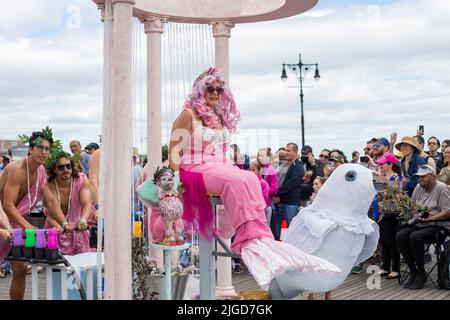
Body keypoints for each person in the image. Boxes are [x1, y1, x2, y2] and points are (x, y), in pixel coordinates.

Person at [168, 68, 320, 286]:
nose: (215, 93)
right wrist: (176, 181)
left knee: (250, 179)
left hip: (218, 165)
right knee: (235, 180)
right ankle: (246, 235)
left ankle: (258, 234)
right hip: (194, 167)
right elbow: (174, 151)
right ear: (199, 90)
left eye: (219, 89)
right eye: (210, 88)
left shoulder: (217, 117)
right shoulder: (187, 115)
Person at [0, 130, 73, 300]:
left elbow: (50, 201)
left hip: (13, 224)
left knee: (19, 268)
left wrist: (64, 222)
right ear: (30, 149)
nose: (44, 152)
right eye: (40, 147)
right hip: (3, 216)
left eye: (47, 149)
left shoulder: (41, 171)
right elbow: (8, 205)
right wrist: (27, 226)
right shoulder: (16, 170)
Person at [395, 164, 450, 290]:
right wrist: (410, 210)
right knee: (400, 236)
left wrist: (429, 218)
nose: (420, 180)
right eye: (419, 177)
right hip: (421, 223)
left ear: (432, 176)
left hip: (439, 225)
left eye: (423, 177)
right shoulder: (418, 187)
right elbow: (413, 206)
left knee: (415, 237)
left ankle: (420, 272)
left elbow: (447, 211)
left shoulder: (441, 188)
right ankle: (414, 270)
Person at [45, 151, 93, 255]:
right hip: (55, 230)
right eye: (61, 167)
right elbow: (50, 210)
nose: (66, 170)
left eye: (68, 166)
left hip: (78, 229)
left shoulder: (81, 179)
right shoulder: (48, 184)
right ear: (54, 169)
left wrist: (83, 220)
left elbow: (87, 203)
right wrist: (63, 224)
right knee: (56, 268)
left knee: (82, 267)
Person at [376, 153, 402, 280]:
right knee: (384, 241)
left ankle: (395, 268)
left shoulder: (395, 177)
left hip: (391, 213)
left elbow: (397, 194)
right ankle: (386, 266)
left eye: (383, 164)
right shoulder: (383, 176)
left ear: (390, 164)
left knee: (391, 241)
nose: (381, 166)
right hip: (382, 212)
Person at [271, 143, 304, 240]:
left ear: (295, 152)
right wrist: (274, 195)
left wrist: (275, 193)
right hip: (278, 203)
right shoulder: (282, 165)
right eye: (285, 150)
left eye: (288, 150)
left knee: (291, 233)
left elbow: (291, 184)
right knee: (278, 234)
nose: (285, 153)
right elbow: (276, 181)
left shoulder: (298, 167)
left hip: (290, 204)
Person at [306, 176, 331, 300]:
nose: (314, 186)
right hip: (314, 233)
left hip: (325, 233)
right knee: (313, 263)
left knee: (327, 263)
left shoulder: (328, 199)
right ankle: (311, 294)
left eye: (316, 184)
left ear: (323, 185)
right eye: (314, 184)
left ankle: (328, 293)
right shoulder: (313, 197)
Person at [257, 147, 278, 229]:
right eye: (259, 155)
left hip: (266, 204)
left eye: (262, 155)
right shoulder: (256, 169)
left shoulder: (271, 170)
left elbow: (274, 189)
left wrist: (262, 189)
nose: (259, 157)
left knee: (266, 228)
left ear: (268, 158)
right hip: (256, 204)